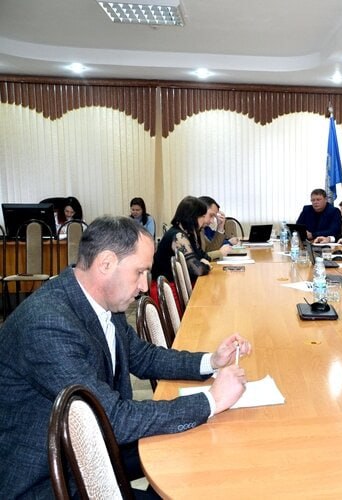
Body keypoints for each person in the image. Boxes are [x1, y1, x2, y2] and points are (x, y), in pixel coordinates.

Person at [0, 216, 250, 498]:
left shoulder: (102, 302)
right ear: (106, 264)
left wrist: (211, 361)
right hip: (49, 479)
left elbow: (143, 357)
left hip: (90, 447)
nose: (145, 286)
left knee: (197, 459)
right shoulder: (47, 324)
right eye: (140, 272)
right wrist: (211, 400)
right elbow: (113, 419)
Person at [152, 196, 212, 290]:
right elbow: (198, 270)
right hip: (168, 288)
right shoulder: (178, 236)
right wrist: (206, 266)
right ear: (193, 216)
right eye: (202, 216)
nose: (205, 220)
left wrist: (203, 261)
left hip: (178, 285)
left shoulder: (188, 233)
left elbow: (203, 256)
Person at [198, 195, 235, 260]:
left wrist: (220, 227)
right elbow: (198, 258)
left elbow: (210, 249)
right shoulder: (188, 232)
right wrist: (220, 253)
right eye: (211, 215)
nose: (212, 221)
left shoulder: (201, 230)